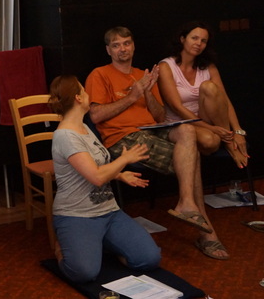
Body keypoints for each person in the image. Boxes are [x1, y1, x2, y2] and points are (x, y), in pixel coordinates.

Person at [85, 26, 229, 260]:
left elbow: (161, 117)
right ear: (108, 50)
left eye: (127, 43)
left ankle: (187, 202)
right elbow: (95, 115)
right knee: (191, 159)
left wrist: (147, 92)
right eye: (116, 45)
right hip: (122, 138)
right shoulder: (99, 74)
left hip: (151, 130)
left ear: (133, 46)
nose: (123, 49)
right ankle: (206, 233)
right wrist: (133, 96)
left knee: (187, 130)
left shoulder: (142, 74)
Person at [49, 75, 160, 283]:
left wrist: (119, 175)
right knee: (84, 273)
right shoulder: (65, 136)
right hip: (76, 215)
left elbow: (94, 167)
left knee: (149, 259)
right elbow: (97, 176)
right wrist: (125, 159)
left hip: (109, 212)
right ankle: (61, 247)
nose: (87, 94)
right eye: (84, 90)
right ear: (78, 98)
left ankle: (101, 244)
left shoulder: (85, 128)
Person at [157, 21, 248, 168]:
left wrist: (238, 131)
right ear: (182, 39)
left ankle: (228, 142)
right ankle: (224, 140)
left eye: (203, 41)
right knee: (210, 141)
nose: (198, 43)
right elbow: (176, 107)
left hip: (206, 119)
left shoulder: (208, 67)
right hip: (180, 124)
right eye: (194, 38)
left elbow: (224, 100)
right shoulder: (166, 66)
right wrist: (212, 129)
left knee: (209, 87)